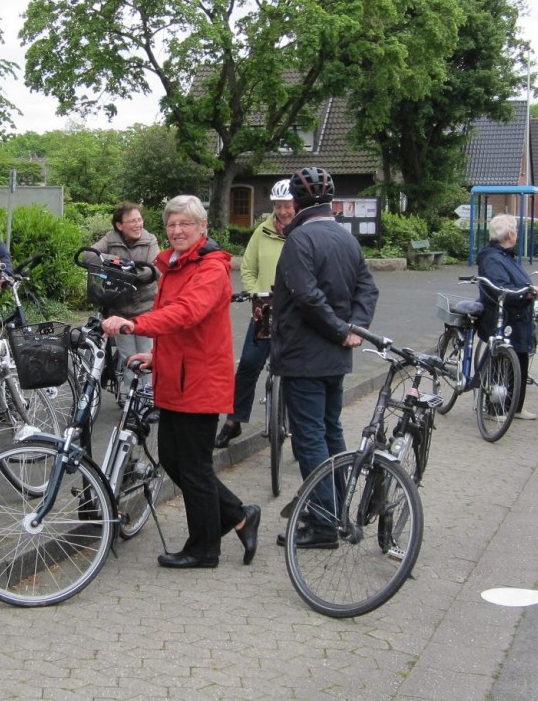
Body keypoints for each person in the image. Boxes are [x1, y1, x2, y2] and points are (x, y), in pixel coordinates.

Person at [100, 195, 260, 569]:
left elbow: (187, 314)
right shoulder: (174, 264)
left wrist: (133, 325)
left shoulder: (210, 268)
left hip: (201, 381)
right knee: (173, 459)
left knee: (195, 466)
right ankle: (238, 516)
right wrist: (157, 356)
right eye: (171, 224)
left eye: (185, 224)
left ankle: (204, 549)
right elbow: (181, 326)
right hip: (177, 375)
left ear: (202, 228)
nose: (176, 231)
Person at [271, 167, 378, 548]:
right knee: (331, 431)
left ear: (296, 203)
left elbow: (306, 295)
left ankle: (320, 523)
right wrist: (354, 329)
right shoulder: (346, 239)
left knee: (310, 438)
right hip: (336, 357)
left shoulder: (300, 239)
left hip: (304, 355)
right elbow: (368, 288)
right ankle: (336, 509)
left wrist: (340, 329)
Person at [215, 179, 295, 447]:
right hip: (266, 308)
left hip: (298, 311)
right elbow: (247, 268)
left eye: (287, 205)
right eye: (278, 206)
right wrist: (254, 292)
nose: (283, 211)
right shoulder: (262, 231)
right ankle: (233, 421)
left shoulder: (305, 231)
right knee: (249, 364)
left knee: (298, 371)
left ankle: (300, 426)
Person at [475, 214, 538, 421]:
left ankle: (515, 407)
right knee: (502, 362)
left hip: (516, 315)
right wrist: (527, 292)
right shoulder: (492, 258)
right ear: (511, 234)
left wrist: (528, 291)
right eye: (515, 231)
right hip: (503, 317)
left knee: (520, 359)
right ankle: (496, 408)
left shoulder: (504, 255)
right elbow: (500, 287)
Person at [89, 202, 159, 402]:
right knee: (128, 358)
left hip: (146, 309)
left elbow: (152, 271)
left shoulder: (149, 240)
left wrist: (123, 270)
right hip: (119, 310)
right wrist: (120, 263)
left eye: (139, 220)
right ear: (120, 225)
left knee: (146, 356)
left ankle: (149, 400)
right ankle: (129, 399)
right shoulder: (111, 239)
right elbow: (89, 255)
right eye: (133, 221)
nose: (138, 224)